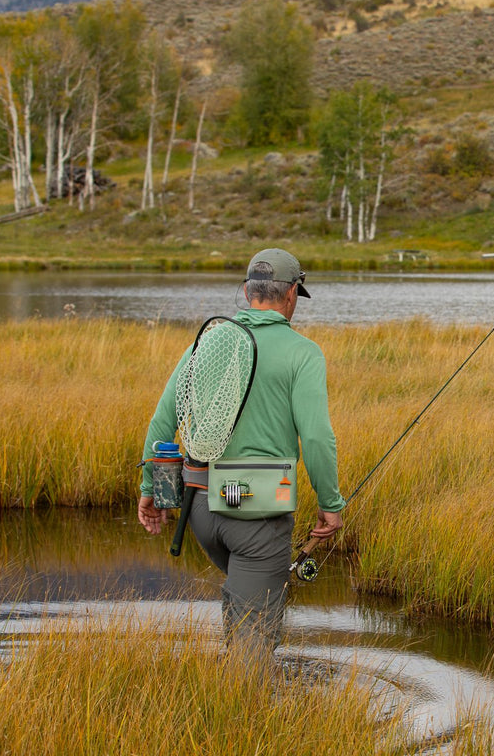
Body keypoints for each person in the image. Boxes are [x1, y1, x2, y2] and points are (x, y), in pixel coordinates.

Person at [137, 247, 344, 650]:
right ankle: (242, 703)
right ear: (290, 294)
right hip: (254, 509)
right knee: (255, 637)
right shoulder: (303, 353)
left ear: (249, 292)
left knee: (244, 612)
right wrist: (330, 504)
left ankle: (233, 695)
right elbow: (317, 437)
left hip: (199, 508)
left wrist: (152, 490)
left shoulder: (208, 342)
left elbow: (163, 421)